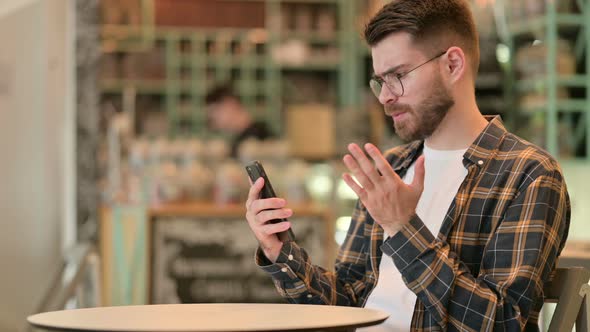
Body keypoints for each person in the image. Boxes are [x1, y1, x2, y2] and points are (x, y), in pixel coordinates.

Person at [244, 0, 571, 331]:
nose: (385, 96)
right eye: (380, 81)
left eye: (398, 75)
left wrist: (403, 229)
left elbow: (503, 323)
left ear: (453, 64)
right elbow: (347, 302)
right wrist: (280, 252)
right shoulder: (391, 167)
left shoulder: (528, 174)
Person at [205, 83, 275, 158]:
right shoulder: (242, 138)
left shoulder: (259, 136)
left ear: (229, 104)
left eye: (215, 113)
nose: (213, 122)